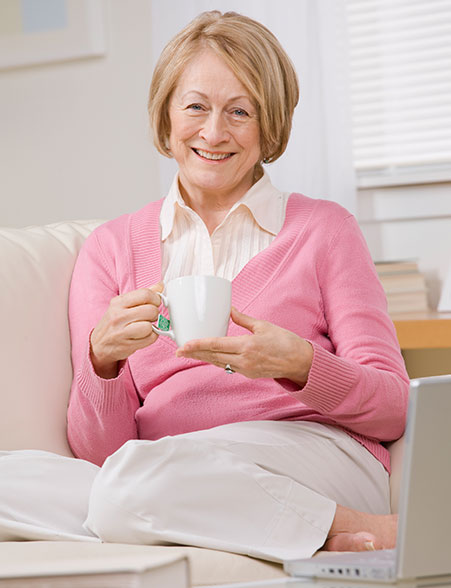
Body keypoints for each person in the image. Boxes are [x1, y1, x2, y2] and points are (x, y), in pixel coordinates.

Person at [66, 10, 409, 561]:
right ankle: (312, 530)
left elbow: (393, 408)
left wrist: (301, 363)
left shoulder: (325, 230)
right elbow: (100, 453)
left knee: (125, 490)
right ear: (166, 115)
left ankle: (352, 522)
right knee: (27, 479)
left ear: (269, 124)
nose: (214, 132)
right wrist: (101, 364)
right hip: (168, 467)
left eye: (240, 111)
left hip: (313, 452)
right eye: (196, 106)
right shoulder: (110, 247)